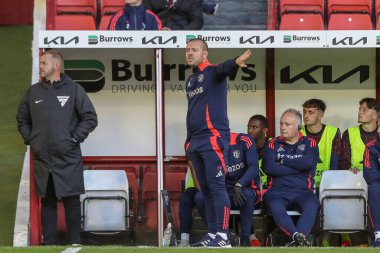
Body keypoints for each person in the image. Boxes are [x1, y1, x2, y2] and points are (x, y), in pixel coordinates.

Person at [16, 50, 98, 245]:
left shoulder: (74, 90)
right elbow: (22, 119)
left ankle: (75, 244)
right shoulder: (33, 91)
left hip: (68, 157)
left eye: (44, 63)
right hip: (43, 159)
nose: (40, 66)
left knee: (71, 201)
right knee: (48, 201)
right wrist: (32, 139)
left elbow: (90, 118)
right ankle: (49, 245)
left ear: (56, 66)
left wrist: (73, 139)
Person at [184, 38, 252, 247]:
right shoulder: (190, 80)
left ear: (205, 53)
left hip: (212, 137)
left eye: (194, 50)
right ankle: (213, 234)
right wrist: (188, 143)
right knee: (204, 192)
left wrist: (235, 62)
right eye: (187, 50)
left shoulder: (214, 72)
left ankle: (223, 236)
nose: (189, 53)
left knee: (217, 187)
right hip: (194, 142)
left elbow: (224, 68)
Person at [179, 132, 260, 247]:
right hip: (222, 190)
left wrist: (239, 184)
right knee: (200, 197)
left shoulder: (244, 140)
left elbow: (254, 167)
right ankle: (221, 236)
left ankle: (245, 240)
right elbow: (203, 184)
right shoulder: (208, 147)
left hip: (243, 187)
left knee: (247, 195)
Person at [262, 109, 319, 247]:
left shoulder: (309, 143)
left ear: (298, 127)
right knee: (275, 205)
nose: (282, 127)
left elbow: (308, 163)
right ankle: (296, 236)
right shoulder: (272, 144)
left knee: (312, 204)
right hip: (277, 191)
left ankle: (298, 240)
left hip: (303, 192)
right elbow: (268, 167)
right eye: (281, 123)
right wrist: (298, 169)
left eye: (287, 124)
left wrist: (282, 160)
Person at [339, 97, 380, 246]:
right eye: (359, 109)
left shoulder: (379, 135)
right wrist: (348, 169)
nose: (360, 112)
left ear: (375, 115)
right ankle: (356, 242)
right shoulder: (349, 133)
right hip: (355, 180)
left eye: (364, 110)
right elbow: (343, 160)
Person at [301, 99, 341, 246]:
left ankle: (326, 240)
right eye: (304, 112)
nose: (306, 115)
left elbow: (335, 163)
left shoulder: (333, 132)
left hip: (327, 183)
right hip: (304, 184)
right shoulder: (298, 132)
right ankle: (308, 237)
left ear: (321, 115)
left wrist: (328, 185)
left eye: (311, 112)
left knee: (330, 204)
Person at [364, 127, 380, 247]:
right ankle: (379, 235)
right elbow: (370, 174)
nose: (378, 130)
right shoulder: (371, 146)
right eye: (378, 126)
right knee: (374, 188)